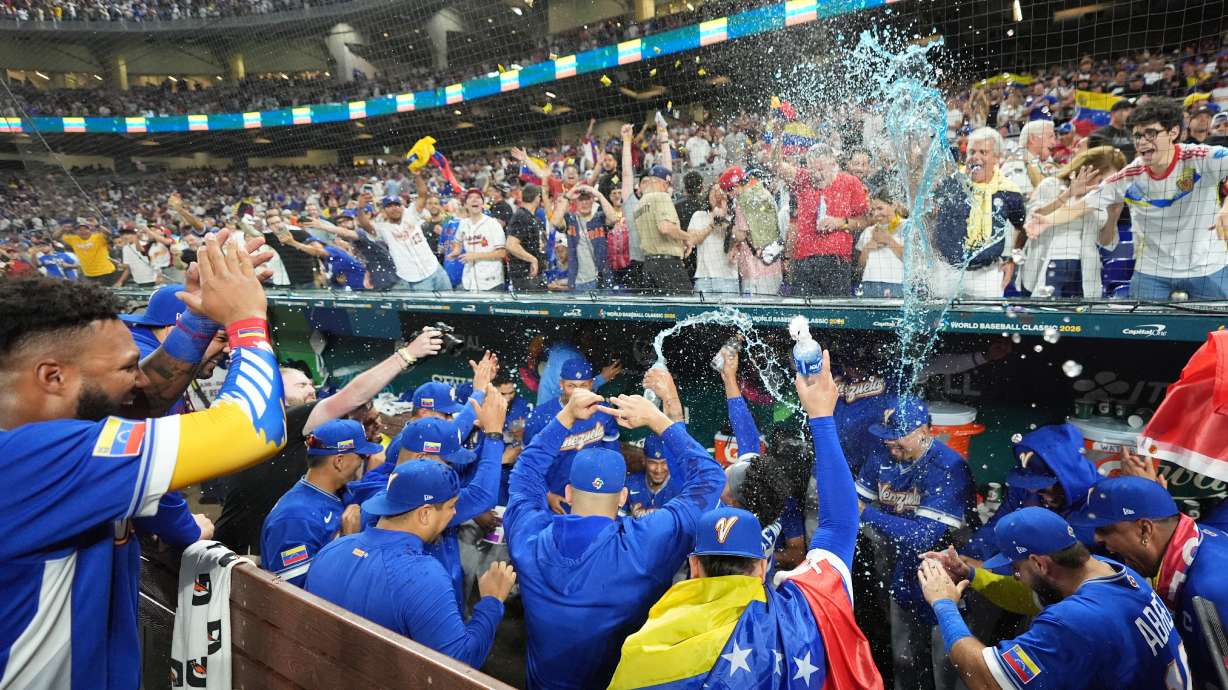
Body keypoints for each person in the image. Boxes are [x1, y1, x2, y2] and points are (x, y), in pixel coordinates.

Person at [0, 233, 286, 689]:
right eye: (126, 367)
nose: (140, 378)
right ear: (52, 377)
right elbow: (253, 428)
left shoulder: (30, 437)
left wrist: (196, 318)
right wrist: (247, 322)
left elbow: (144, 397)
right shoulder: (35, 459)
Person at [608, 360, 883, 690]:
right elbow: (840, 523)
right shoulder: (802, 617)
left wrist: (668, 413)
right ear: (762, 564)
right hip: (762, 607)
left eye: (723, 479)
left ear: (695, 565)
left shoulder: (651, 646)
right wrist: (822, 417)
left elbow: (695, 473)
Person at [504, 386, 726, 689]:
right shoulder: (645, 543)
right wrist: (657, 419)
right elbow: (710, 478)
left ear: (568, 493)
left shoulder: (530, 539)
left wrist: (566, 416)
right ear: (622, 497)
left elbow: (524, 474)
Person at [212, 327, 444, 552]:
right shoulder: (279, 421)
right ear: (276, 393)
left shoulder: (298, 435)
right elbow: (351, 396)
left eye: (312, 384)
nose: (311, 390)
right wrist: (407, 354)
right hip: (239, 557)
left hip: (264, 550)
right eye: (301, 385)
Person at [919, 507, 1192, 690]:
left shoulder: (1075, 620)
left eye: (1015, 567)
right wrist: (968, 573)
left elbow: (986, 680)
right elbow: (1030, 598)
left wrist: (943, 604)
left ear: (1040, 564)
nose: (1015, 575)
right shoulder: (1110, 571)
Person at [306, 461, 516, 668]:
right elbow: (458, 665)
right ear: (424, 513)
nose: (454, 513)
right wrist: (491, 600)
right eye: (451, 506)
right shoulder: (422, 576)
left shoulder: (331, 549)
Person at [1028, 97, 1228, 300]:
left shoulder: (1201, 157)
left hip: (1208, 266)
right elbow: (1082, 206)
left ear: (1173, 132)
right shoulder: (1130, 175)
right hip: (1152, 272)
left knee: (1218, 330)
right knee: (1142, 329)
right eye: (1137, 136)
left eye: (1151, 133)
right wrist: (1046, 220)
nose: (1142, 141)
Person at [857, 397, 973, 690]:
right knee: (905, 661)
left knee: (947, 667)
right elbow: (852, 505)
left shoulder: (949, 467)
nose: (891, 447)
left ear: (924, 431)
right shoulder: (882, 455)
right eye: (887, 440)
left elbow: (922, 537)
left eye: (898, 441)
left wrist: (869, 514)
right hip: (898, 570)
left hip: (947, 574)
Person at [1069, 476, 1228, 688]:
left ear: (1145, 529)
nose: (1097, 539)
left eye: (1105, 529)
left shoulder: (1208, 591)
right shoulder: (1193, 548)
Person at [259, 419, 380, 586]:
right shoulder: (295, 518)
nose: (364, 460)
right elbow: (298, 595)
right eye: (361, 455)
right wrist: (349, 541)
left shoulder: (335, 491)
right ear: (339, 461)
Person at [931, 127, 1026, 299]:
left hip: (987, 276)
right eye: (972, 151)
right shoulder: (951, 184)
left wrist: (1012, 261)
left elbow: (1023, 227)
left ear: (997, 158)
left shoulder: (1009, 191)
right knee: (939, 324)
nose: (976, 157)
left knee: (987, 323)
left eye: (983, 152)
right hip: (946, 272)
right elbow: (929, 217)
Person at [1021, 146, 1127, 298]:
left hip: (1084, 271)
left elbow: (1106, 242)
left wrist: (1113, 215)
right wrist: (1068, 194)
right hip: (1048, 263)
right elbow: (1033, 218)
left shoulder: (1103, 198)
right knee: (1045, 318)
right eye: (1101, 180)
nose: (1104, 186)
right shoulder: (1052, 184)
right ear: (1089, 169)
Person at [522, 357, 621, 513]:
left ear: (591, 384)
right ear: (561, 384)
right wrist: (546, 494)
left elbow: (612, 457)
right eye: (571, 386)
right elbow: (528, 464)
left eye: (583, 385)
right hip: (553, 497)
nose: (578, 392)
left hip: (590, 494)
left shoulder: (603, 411)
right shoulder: (541, 415)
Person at [773, 141, 869, 297]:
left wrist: (840, 222)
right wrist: (777, 140)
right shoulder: (803, 179)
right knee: (803, 317)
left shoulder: (851, 183)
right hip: (804, 261)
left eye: (820, 169)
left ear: (833, 165)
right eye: (812, 169)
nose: (816, 175)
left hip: (837, 262)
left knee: (836, 316)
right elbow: (776, 166)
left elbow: (865, 221)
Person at [357, 181, 450, 291]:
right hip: (415, 279)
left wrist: (417, 176)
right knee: (428, 308)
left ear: (402, 207)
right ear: (383, 211)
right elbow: (365, 225)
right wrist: (360, 208)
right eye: (389, 206)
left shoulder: (411, 215)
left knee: (450, 304)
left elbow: (423, 194)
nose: (394, 208)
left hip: (435, 269)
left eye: (397, 205)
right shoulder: (382, 229)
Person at [633, 165, 694, 294]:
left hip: (649, 265)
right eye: (668, 184)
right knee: (685, 308)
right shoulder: (661, 197)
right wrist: (688, 237)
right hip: (668, 265)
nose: (668, 189)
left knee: (658, 311)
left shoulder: (638, 205)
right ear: (664, 182)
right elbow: (665, 228)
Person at [449, 188, 507, 292]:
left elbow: (502, 253)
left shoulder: (493, 224)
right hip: (469, 282)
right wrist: (456, 250)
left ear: (483, 204)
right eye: (470, 198)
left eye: (478, 198)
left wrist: (475, 256)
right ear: (465, 205)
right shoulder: (463, 224)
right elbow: (457, 241)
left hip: (491, 283)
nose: (474, 200)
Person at [855, 192, 907, 297]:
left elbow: (911, 260)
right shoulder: (868, 231)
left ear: (893, 205)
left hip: (898, 283)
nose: (876, 214)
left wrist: (888, 240)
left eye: (880, 209)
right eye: (873, 210)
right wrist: (867, 248)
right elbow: (859, 269)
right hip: (869, 284)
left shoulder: (907, 226)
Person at [1001, 119, 1058, 198]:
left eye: (1054, 138)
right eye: (1050, 137)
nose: (1054, 143)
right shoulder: (1014, 163)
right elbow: (1024, 200)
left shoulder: (1047, 160)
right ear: (1032, 139)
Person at [624, 436, 679, 517]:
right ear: (644, 461)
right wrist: (630, 518)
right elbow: (615, 519)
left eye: (664, 463)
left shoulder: (682, 487)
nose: (659, 470)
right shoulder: (629, 484)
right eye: (653, 463)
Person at [505, 183, 545, 291]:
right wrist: (532, 259)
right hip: (525, 276)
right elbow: (511, 245)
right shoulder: (522, 216)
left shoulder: (528, 216)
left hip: (530, 275)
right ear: (537, 197)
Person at [56, 218, 118, 284]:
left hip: (106, 272)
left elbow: (109, 234)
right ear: (76, 232)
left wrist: (97, 225)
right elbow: (56, 237)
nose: (83, 231)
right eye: (80, 230)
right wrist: (62, 229)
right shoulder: (73, 239)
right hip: (88, 275)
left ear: (90, 230)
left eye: (86, 229)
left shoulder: (98, 237)